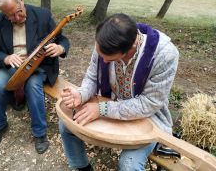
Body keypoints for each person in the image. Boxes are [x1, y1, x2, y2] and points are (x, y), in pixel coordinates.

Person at [60, 13, 179, 170]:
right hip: (110, 105)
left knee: (129, 164)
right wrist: (81, 94)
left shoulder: (164, 55)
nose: (104, 61)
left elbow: (150, 104)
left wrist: (102, 109)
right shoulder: (105, 43)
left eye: (110, 60)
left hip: (148, 119)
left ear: (131, 48)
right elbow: (92, 77)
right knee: (66, 125)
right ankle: (82, 168)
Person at [0, 0, 70, 154]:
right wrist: (6, 58)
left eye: (18, 12)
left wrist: (60, 48)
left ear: (21, 1)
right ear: (3, 13)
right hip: (14, 67)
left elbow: (62, 39)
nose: (17, 18)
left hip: (39, 66)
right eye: (10, 16)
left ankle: (40, 133)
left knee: (33, 86)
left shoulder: (43, 15)